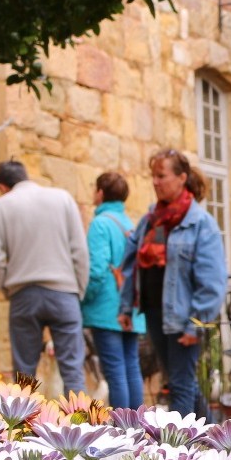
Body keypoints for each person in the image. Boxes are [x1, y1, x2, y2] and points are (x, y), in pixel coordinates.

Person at [118, 149, 226, 419]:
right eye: (153, 176)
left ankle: (180, 453)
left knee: (179, 384)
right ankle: (213, 435)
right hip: (155, 312)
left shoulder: (201, 224)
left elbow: (212, 281)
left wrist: (196, 323)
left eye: (161, 176)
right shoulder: (150, 220)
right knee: (183, 381)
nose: (155, 182)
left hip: (184, 317)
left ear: (181, 178)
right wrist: (125, 308)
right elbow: (130, 265)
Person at [0, 159, 90, 393]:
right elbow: (80, 251)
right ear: (25, 176)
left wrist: (7, 287)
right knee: (73, 371)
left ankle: (22, 428)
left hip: (24, 294)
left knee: (24, 377)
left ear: (2, 186)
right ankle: (82, 426)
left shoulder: (1, 207)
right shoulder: (62, 199)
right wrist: (78, 289)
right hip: (64, 292)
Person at [81, 171, 146, 409]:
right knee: (131, 367)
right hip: (132, 309)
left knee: (115, 371)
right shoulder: (130, 224)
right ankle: (137, 427)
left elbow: (97, 270)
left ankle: (123, 432)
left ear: (100, 193)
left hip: (107, 309)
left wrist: (84, 299)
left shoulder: (100, 224)